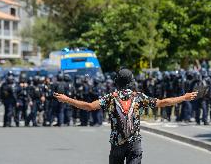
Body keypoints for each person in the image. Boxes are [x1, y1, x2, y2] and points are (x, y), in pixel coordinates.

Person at [54, 68, 197, 164]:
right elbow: (162, 102)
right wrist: (184, 97)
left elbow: (89, 106)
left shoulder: (111, 97)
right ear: (131, 82)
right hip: (134, 143)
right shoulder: (139, 97)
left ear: (117, 82)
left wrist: (67, 99)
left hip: (117, 143)